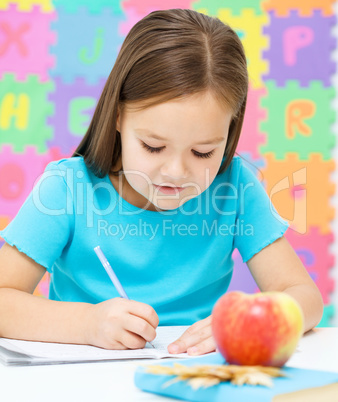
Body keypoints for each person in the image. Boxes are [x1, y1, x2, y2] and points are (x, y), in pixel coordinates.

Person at [0, 9, 323, 356]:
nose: (175, 172)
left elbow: (304, 296)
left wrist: (254, 324)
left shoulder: (236, 188)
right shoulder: (67, 189)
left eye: (202, 152)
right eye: (153, 146)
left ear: (229, 131)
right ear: (119, 115)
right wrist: (86, 324)